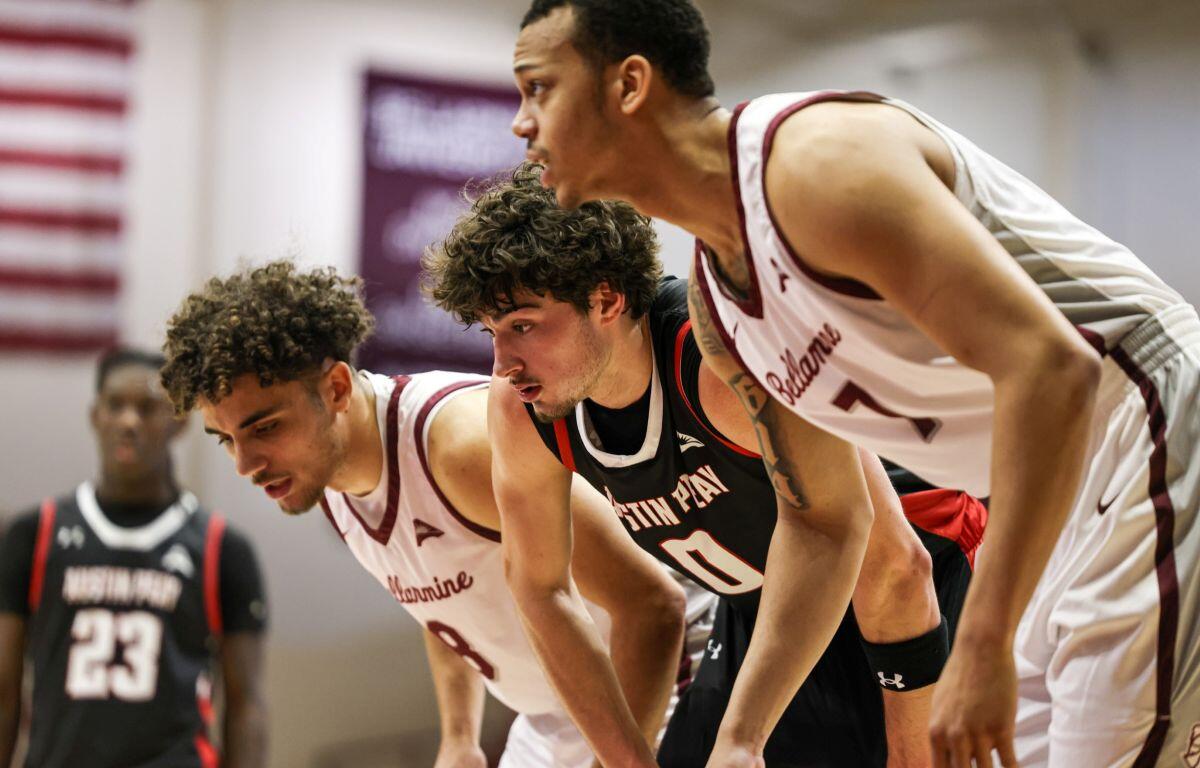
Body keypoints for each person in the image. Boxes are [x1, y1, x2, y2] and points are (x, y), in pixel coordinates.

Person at [508, 2, 1200, 767]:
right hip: (1041, 492)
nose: (521, 122)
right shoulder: (718, 299)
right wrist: (742, 739)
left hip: (1140, 423)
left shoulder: (813, 164)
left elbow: (1054, 364)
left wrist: (983, 639)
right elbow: (821, 524)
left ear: (629, 84)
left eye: (539, 88)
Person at [424, 163, 988, 766]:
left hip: (920, 578)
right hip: (766, 609)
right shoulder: (522, 409)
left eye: (523, 326)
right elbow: (541, 591)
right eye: (490, 332)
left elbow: (895, 567)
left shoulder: (719, 362)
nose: (503, 360)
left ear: (606, 299)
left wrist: (909, 755)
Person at [159, 261, 714, 768]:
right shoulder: (322, 479)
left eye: (264, 428)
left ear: (335, 389)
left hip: (662, 680)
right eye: (224, 440)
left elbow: (654, 607)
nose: (245, 465)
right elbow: (439, 594)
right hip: (558, 714)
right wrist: (459, 737)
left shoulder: (457, 446)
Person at [0, 347, 268, 768]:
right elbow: (4, 690)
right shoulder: (34, 534)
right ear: (95, 416)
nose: (129, 421)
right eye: (116, 406)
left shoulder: (222, 549)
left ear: (178, 422)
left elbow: (245, 703)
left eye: (147, 408)